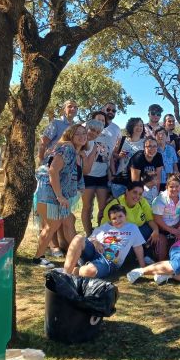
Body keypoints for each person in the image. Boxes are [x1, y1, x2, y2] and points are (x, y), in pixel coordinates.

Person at [33, 124, 87, 268]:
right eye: (78, 134)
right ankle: (38, 257)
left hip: (56, 193)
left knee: (63, 222)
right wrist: (59, 196)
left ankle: (76, 256)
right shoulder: (67, 148)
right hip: (49, 192)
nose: (82, 136)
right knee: (53, 225)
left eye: (84, 133)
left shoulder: (75, 151)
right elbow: (53, 171)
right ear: (70, 135)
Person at [64, 205, 146, 278]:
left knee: (88, 271)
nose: (117, 220)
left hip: (109, 261)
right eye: (114, 218)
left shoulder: (132, 228)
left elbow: (138, 248)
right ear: (110, 220)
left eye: (120, 216)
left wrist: (143, 268)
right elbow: (91, 238)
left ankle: (76, 270)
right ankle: (65, 274)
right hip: (93, 252)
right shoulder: (105, 226)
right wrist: (96, 242)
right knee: (78, 238)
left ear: (125, 215)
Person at [100, 181, 161, 255]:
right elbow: (104, 228)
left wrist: (156, 230)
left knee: (150, 229)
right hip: (121, 235)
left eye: (140, 194)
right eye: (134, 192)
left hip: (138, 232)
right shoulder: (115, 205)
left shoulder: (142, 202)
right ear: (127, 191)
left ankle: (145, 254)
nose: (137, 196)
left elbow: (150, 219)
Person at [81, 119, 112, 236]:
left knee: (103, 207)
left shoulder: (97, 143)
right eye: (92, 130)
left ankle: (100, 233)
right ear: (86, 128)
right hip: (87, 177)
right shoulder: (81, 143)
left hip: (102, 177)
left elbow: (108, 159)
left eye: (97, 132)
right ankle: (89, 234)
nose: (94, 133)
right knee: (87, 207)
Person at [151, 175, 180, 261]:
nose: (174, 189)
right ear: (166, 187)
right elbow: (157, 219)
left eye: (177, 186)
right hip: (162, 229)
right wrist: (172, 231)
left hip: (176, 226)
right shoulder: (160, 199)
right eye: (171, 187)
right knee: (161, 257)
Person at [111, 117, 146, 197]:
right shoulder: (123, 139)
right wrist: (119, 156)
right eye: (136, 125)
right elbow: (112, 155)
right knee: (119, 207)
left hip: (138, 180)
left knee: (134, 207)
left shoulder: (145, 142)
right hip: (121, 178)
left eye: (141, 125)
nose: (139, 128)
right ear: (131, 126)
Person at [155, 126, 178, 190]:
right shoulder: (153, 150)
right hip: (157, 182)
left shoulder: (171, 149)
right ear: (155, 136)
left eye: (163, 134)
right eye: (158, 134)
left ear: (166, 136)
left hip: (170, 181)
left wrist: (176, 176)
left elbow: (175, 165)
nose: (160, 136)